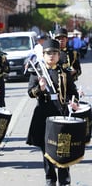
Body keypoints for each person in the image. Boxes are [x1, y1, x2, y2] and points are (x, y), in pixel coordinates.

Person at [27, 39, 79, 186]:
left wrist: (73, 102)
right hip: (44, 114)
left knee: (63, 147)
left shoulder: (64, 71)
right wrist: (40, 88)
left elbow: (72, 92)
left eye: (55, 53)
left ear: (59, 55)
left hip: (61, 112)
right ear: (43, 55)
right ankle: (50, 179)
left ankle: (64, 179)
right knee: (47, 149)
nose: (52, 56)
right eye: (48, 53)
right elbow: (30, 92)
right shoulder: (37, 71)